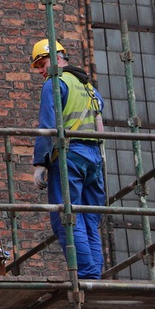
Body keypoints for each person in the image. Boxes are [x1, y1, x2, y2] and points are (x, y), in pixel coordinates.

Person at [30, 39, 105, 279]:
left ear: (58, 56)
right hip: (93, 158)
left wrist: (40, 164)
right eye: (38, 67)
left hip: (70, 155)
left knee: (67, 219)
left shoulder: (55, 83)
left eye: (43, 63)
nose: (41, 70)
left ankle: (86, 275)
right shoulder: (87, 85)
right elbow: (99, 114)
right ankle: (94, 275)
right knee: (89, 218)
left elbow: (48, 126)